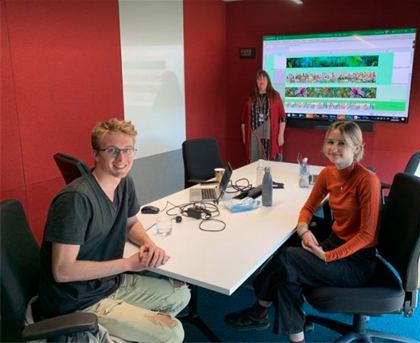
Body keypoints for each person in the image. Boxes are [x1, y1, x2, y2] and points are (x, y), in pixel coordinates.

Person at [225, 121, 381, 343]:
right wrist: (304, 230)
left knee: (287, 259)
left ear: (356, 148)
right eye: (330, 142)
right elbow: (308, 208)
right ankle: (295, 338)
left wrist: (328, 256)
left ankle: (258, 310)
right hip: (333, 243)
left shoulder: (368, 181)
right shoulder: (328, 174)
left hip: (355, 263)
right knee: (288, 266)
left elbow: (367, 235)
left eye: (341, 143)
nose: (333, 148)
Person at [37, 118, 190, 343]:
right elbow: (63, 271)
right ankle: (88, 333)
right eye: (112, 151)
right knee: (173, 332)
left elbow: (131, 223)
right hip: (76, 300)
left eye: (128, 150)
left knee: (181, 294)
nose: (122, 159)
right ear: (96, 153)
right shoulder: (76, 199)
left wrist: (148, 243)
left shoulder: (124, 184)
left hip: (107, 282)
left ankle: (119, 331)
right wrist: (129, 264)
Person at [241, 69, 286, 163]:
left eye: (264, 78)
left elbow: (282, 117)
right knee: (254, 164)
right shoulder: (250, 97)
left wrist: (281, 134)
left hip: (270, 135)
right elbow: (243, 119)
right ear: (256, 82)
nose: (261, 80)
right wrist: (244, 137)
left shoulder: (275, 95)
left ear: (268, 80)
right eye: (258, 78)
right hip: (253, 135)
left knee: (269, 165)